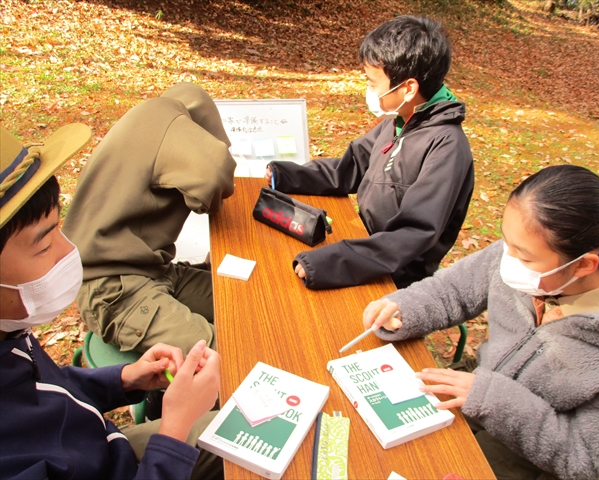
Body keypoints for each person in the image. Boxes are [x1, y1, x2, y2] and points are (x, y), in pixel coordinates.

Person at [363, 165, 599, 480]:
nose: (505, 257)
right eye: (505, 241)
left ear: (584, 266)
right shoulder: (528, 247)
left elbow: (584, 459)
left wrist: (493, 399)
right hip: (474, 386)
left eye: (523, 257)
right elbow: (453, 290)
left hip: (527, 457)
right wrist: (403, 308)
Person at [0, 125, 222, 479]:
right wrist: (176, 429)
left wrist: (124, 379)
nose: (68, 250)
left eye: (59, 228)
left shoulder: (8, 332)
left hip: (112, 451)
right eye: (43, 245)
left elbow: (47, 391)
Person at [264, 15, 474, 290]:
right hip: (360, 243)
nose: (369, 91)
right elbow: (348, 168)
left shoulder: (446, 147)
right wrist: (286, 175)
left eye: (374, 83)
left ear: (408, 88)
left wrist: (331, 262)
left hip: (394, 278)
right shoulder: (399, 121)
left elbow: (411, 235)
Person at [61, 83, 236, 356]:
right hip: (114, 289)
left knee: (242, 301)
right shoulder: (169, 124)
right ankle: (172, 399)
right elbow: (215, 174)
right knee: (229, 355)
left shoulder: (145, 121)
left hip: (153, 270)